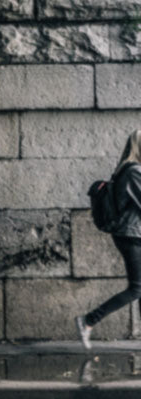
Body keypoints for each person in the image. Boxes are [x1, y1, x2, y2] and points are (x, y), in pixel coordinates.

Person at [76, 129, 141, 350]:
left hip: (133, 234)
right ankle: (89, 320)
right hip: (131, 236)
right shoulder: (134, 172)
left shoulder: (126, 169)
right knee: (137, 288)